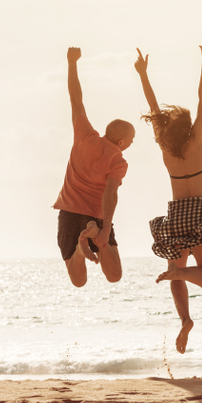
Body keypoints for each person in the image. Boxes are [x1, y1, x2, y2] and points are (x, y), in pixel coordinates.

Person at [135, 38, 202, 354]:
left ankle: (185, 318)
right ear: (187, 126)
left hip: (176, 215)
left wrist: (143, 74)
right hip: (199, 212)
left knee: (178, 275)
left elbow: (155, 110)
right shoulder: (196, 140)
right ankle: (180, 272)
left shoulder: (165, 146)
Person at [53, 47, 134, 288]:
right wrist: (105, 228)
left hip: (68, 212)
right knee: (114, 276)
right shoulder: (118, 162)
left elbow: (75, 98)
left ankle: (80, 250)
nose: (132, 143)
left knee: (78, 281)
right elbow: (110, 192)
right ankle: (94, 241)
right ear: (121, 143)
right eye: (131, 140)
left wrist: (71, 62)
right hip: (97, 216)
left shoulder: (85, 136)